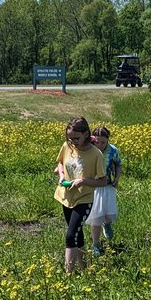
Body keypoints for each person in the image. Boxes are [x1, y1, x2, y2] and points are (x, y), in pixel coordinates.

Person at [53, 117, 106, 273]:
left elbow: (103, 181)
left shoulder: (95, 154)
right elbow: (61, 163)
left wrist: (83, 181)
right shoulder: (67, 146)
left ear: (86, 134)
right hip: (66, 197)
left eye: (76, 138)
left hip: (84, 199)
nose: (73, 141)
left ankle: (68, 274)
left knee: (70, 236)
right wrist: (62, 175)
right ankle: (84, 269)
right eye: (70, 138)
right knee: (78, 233)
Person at [87, 125, 122, 256]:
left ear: (108, 140)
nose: (100, 145)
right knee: (96, 216)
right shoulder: (89, 150)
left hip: (107, 186)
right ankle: (95, 244)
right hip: (93, 186)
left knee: (107, 212)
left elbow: (118, 163)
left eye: (103, 142)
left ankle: (107, 224)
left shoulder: (113, 150)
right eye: (97, 142)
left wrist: (117, 178)